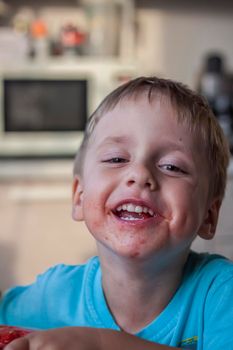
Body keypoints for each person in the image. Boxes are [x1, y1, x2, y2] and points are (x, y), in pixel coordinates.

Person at [0, 76, 233, 350]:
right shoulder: (52, 295)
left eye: (172, 166)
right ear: (79, 196)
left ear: (209, 215)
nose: (139, 174)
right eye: (116, 159)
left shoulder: (220, 294)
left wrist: (102, 344)